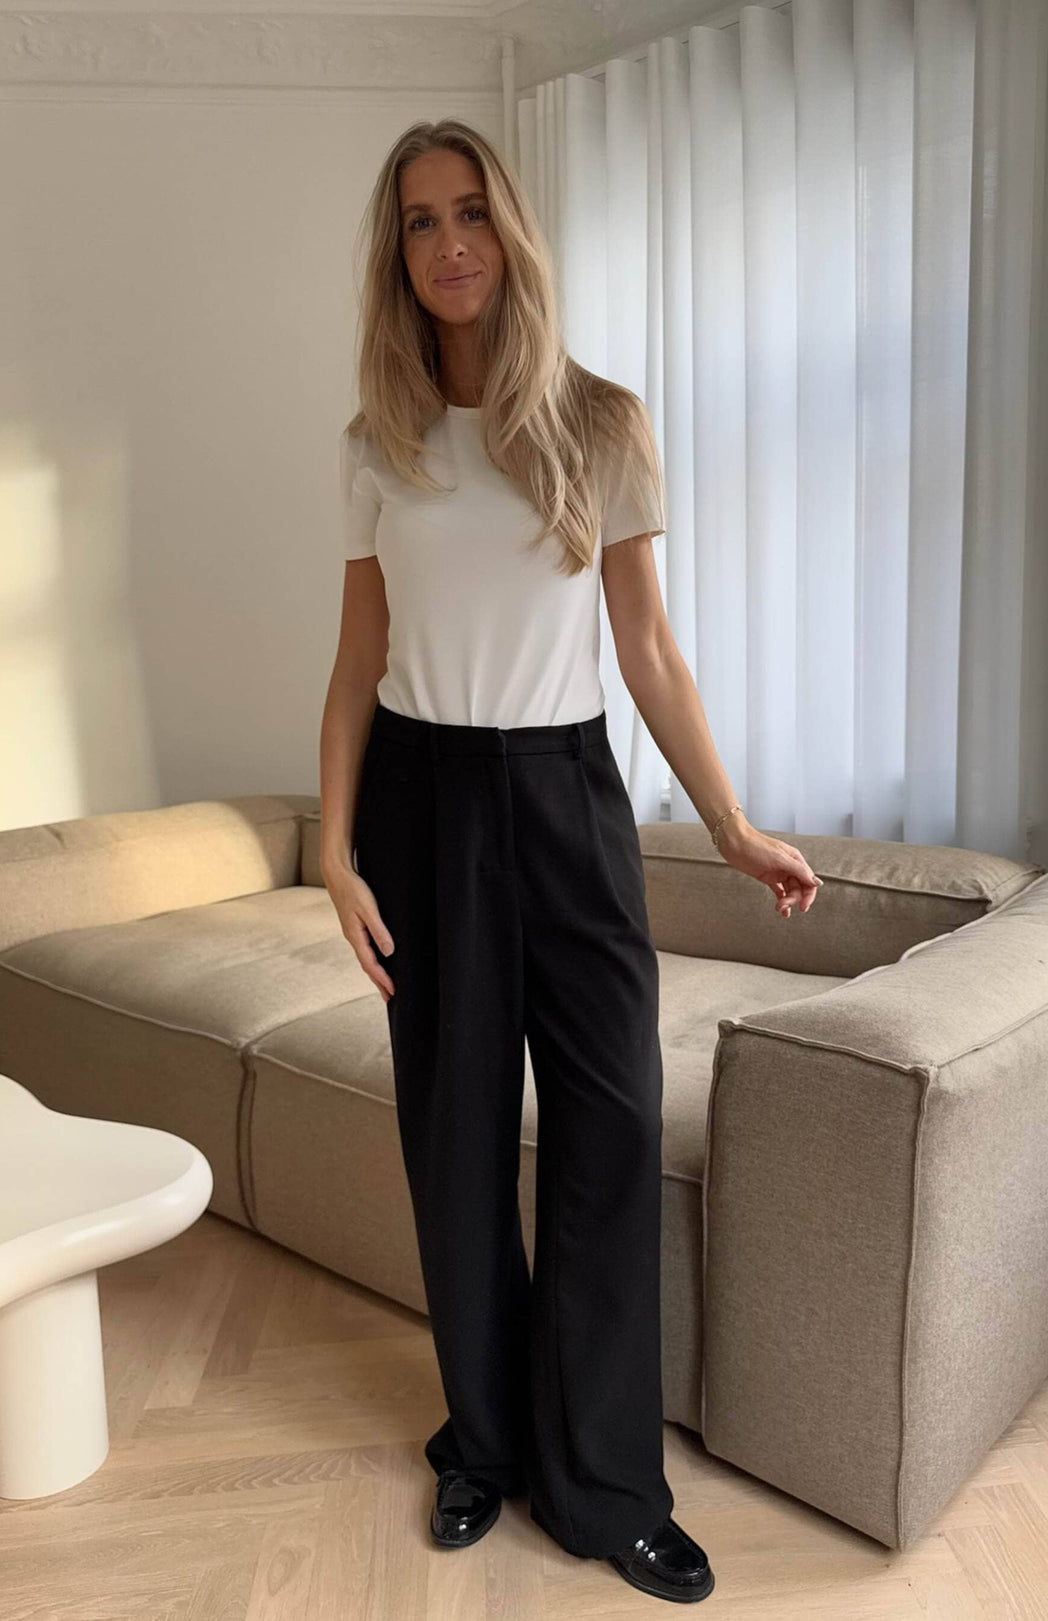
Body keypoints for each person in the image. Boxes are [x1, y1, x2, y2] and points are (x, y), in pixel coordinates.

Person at [319, 117, 821, 1606]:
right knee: (457, 1138)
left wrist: (730, 825)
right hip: (422, 799)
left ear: (512, 231)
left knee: (609, 1125)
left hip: (567, 793)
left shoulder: (602, 422)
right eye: (420, 221)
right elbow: (356, 662)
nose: (450, 242)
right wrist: (335, 851)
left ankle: (606, 1484)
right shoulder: (377, 442)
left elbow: (646, 648)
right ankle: (483, 1442)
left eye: (471, 211)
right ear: (397, 257)